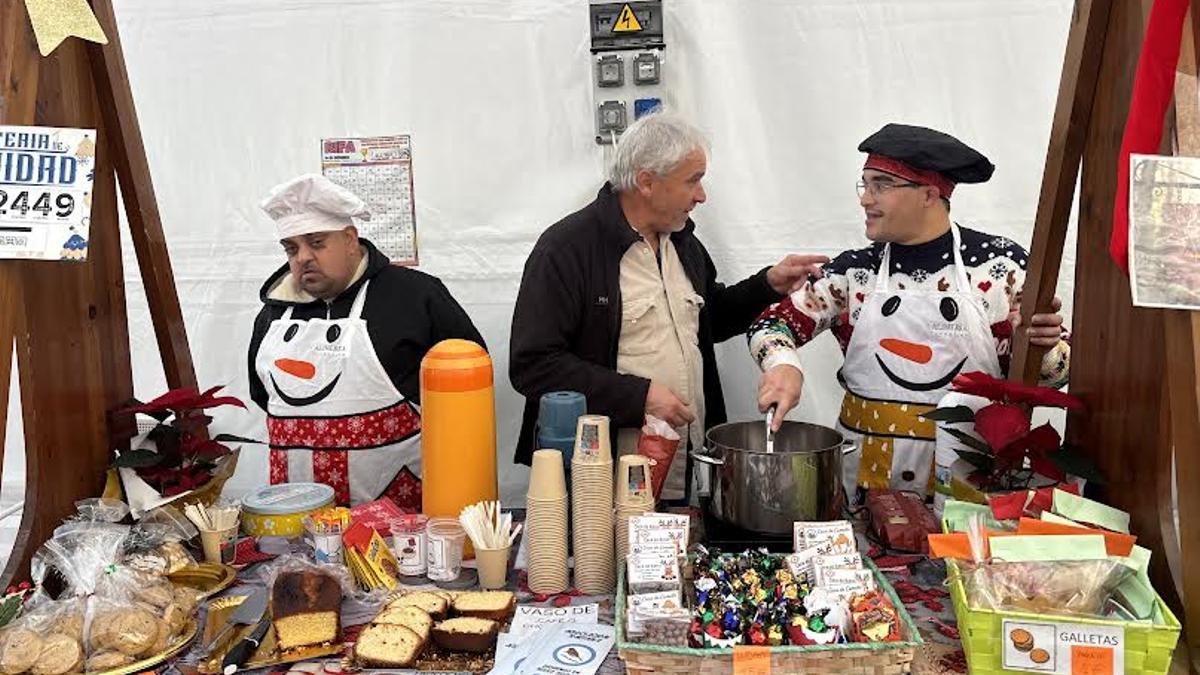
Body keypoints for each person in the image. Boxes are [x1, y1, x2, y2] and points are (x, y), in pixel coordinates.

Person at [510, 112, 827, 501]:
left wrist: (767, 285)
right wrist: (639, 395)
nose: (702, 195)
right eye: (692, 180)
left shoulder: (683, 244)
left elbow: (709, 319)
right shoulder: (566, 250)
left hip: (680, 462)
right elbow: (534, 366)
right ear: (646, 181)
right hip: (599, 475)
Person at [749, 123, 1070, 498]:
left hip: (970, 490)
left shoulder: (1000, 267)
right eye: (864, 184)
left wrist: (1040, 348)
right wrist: (784, 365)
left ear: (929, 194)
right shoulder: (855, 274)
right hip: (864, 489)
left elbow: (1053, 378)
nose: (865, 199)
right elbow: (771, 325)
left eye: (881, 185)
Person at [248, 173, 485, 506]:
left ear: (349, 239)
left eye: (316, 243)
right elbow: (262, 393)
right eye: (292, 248)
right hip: (297, 517)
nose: (302, 258)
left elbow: (468, 393)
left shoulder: (415, 296)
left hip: (400, 515)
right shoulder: (273, 314)